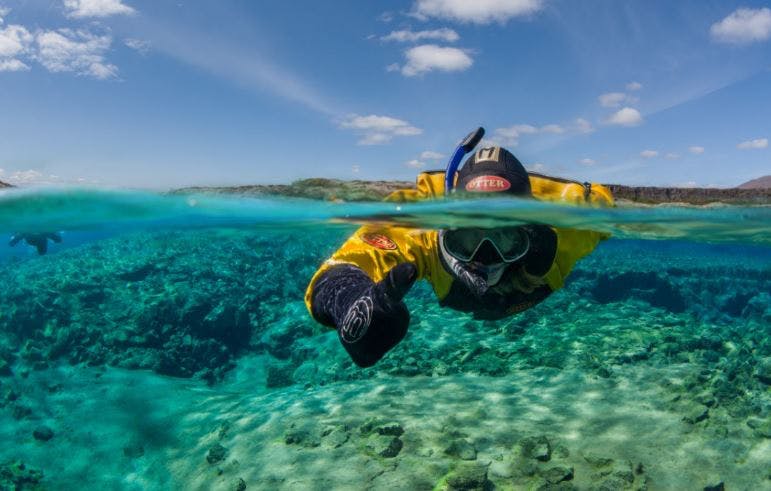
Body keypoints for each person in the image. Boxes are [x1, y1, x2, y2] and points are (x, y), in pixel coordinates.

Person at [305, 135, 613, 368]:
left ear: (530, 237)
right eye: (467, 239)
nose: (486, 258)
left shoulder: (569, 228)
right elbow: (353, 258)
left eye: (506, 238)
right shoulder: (422, 226)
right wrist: (348, 300)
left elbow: (604, 206)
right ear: (447, 229)